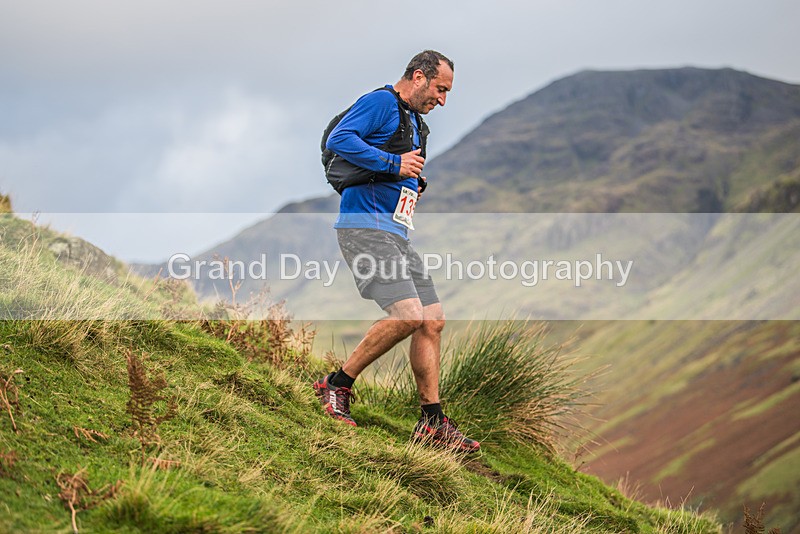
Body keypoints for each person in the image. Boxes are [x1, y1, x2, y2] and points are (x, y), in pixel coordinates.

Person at [312, 50, 480, 453]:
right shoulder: (381, 103)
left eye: (447, 92)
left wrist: (411, 185)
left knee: (432, 320)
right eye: (440, 89)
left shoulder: (417, 125)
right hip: (364, 229)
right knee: (407, 315)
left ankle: (432, 423)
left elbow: (399, 170)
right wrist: (392, 162)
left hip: (396, 235)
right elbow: (341, 139)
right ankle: (335, 385)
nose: (442, 99)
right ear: (419, 77)